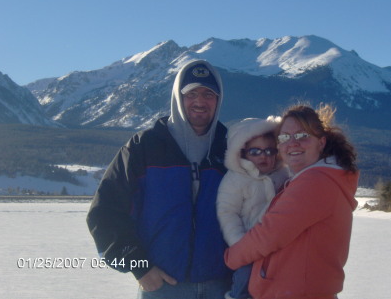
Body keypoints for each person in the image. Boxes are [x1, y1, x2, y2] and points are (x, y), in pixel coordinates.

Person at [87, 59, 231, 299]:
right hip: (163, 286)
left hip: (221, 285)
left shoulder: (230, 148)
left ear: (219, 99)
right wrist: (138, 265)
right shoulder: (144, 147)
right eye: (191, 93)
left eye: (208, 94)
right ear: (177, 96)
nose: (200, 101)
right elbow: (105, 212)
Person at [224, 104, 359, 299]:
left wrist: (231, 258)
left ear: (321, 143)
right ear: (278, 146)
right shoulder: (315, 178)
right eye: (285, 137)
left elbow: (270, 234)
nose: (293, 143)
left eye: (302, 136)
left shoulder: (316, 182)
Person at [217, 117, 289, 299]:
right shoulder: (236, 179)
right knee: (245, 283)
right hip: (248, 249)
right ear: (242, 153)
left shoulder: (282, 174)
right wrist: (240, 244)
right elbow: (227, 212)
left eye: (269, 150)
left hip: (276, 249)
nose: (263, 156)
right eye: (255, 151)